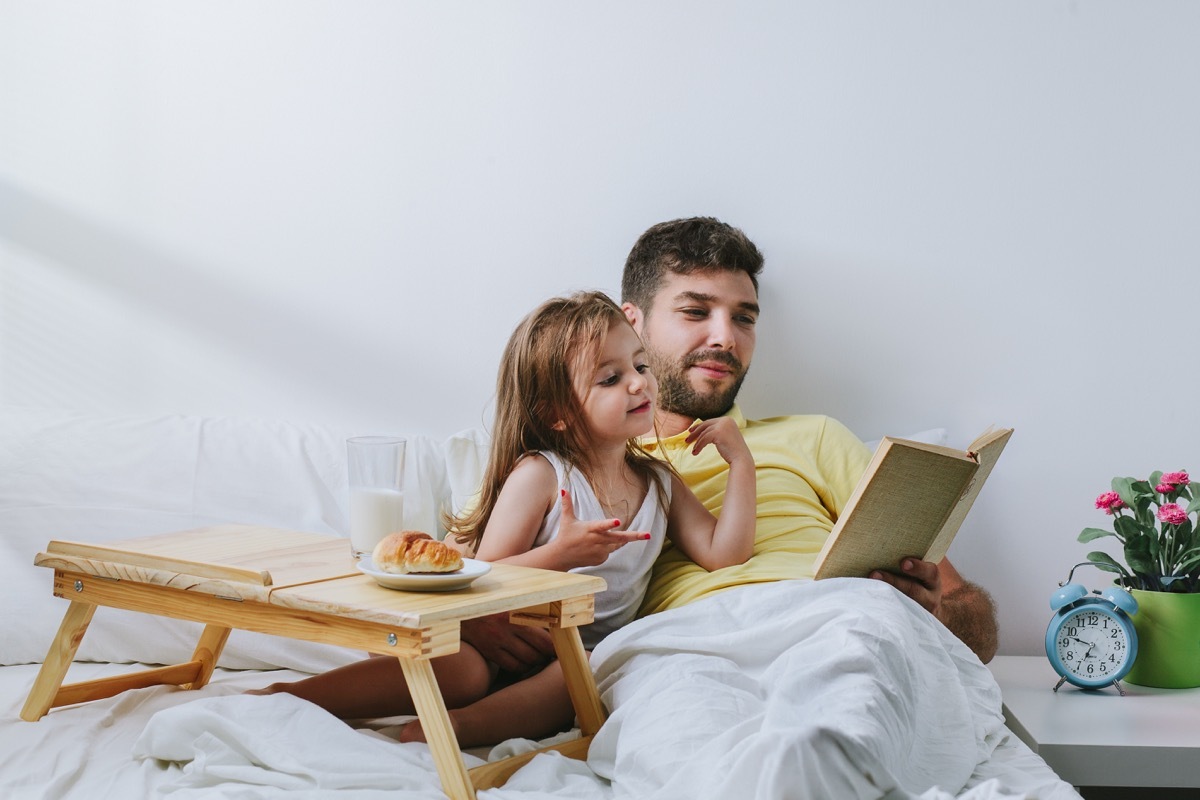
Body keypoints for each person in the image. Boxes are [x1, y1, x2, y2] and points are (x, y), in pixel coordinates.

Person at [461, 218, 998, 667]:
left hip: (847, 633)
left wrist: (935, 614)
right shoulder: (561, 471)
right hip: (691, 654)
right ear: (632, 323)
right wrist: (477, 626)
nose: (725, 337)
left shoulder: (816, 437)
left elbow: (968, 616)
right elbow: (456, 574)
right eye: (696, 312)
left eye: (744, 318)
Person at [252, 290, 757, 747]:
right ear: (558, 413)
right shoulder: (542, 475)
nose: (638, 383)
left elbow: (724, 553)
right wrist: (560, 554)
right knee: (466, 674)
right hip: (485, 642)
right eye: (610, 378)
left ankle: (457, 729)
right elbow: (483, 579)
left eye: (640, 365)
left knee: (585, 672)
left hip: (567, 653)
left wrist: (741, 463)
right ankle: (292, 696)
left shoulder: (660, 484)